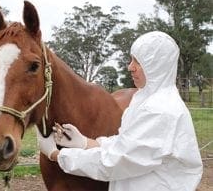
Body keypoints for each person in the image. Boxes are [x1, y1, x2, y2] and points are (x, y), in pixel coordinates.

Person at [36, 31, 203, 191]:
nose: (130, 67)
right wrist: (85, 142)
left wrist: (56, 155)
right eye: (131, 60)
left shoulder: (160, 111)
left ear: (156, 66)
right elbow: (126, 144)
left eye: (138, 62)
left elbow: (114, 162)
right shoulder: (147, 100)